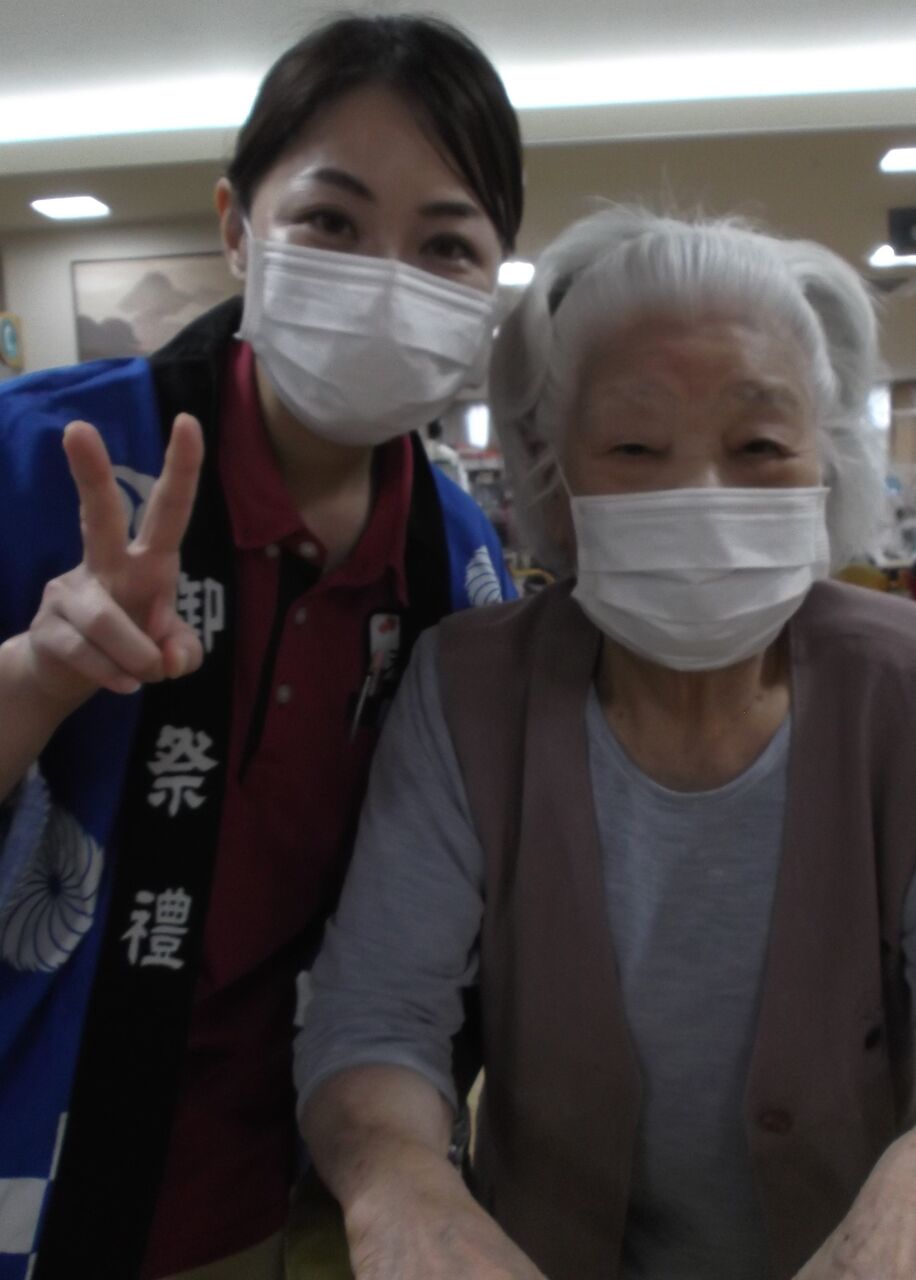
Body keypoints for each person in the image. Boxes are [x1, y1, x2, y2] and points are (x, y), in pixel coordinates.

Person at [296, 207, 916, 1280]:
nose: (700, 495)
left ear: (829, 461)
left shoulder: (900, 688)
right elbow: (378, 1014)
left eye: (758, 446)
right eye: (634, 447)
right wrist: (398, 1184)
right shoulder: (469, 691)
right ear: (556, 473)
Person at [0, 14, 522, 1279]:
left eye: (445, 245)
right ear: (237, 227)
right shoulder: (42, 462)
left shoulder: (461, 567)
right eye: (331, 221)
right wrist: (36, 678)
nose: (386, 277)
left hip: (273, 1192)